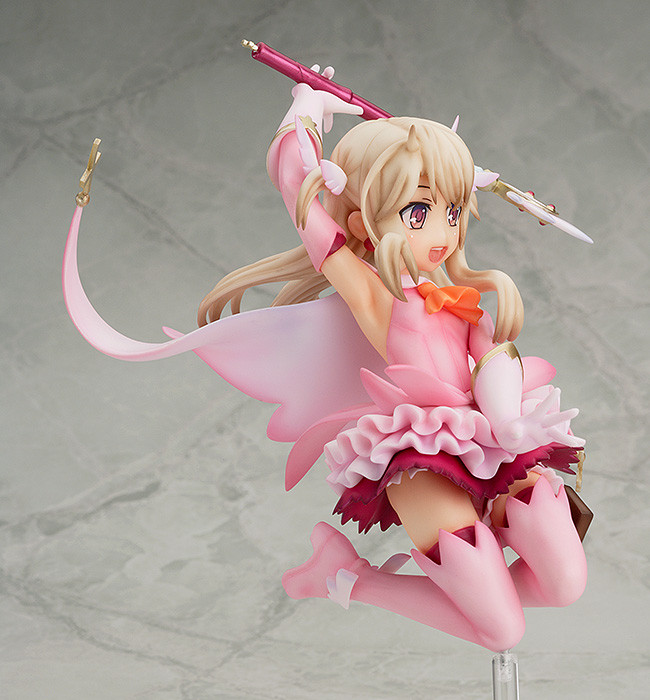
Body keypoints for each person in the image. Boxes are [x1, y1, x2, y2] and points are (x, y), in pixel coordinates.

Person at [63, 74, 587, 653]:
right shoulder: (378, 296)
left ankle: (450, 588)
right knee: (502, 629)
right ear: (364, 223)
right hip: (424, 454)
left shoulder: (464, 301)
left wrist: (506, 412)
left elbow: (494, 359)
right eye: (418, 212)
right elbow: (300, 195)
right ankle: (349, 579)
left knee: (564, 584)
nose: (443, 232)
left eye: (454, 209)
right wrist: (306, 110)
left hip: (494, 436)